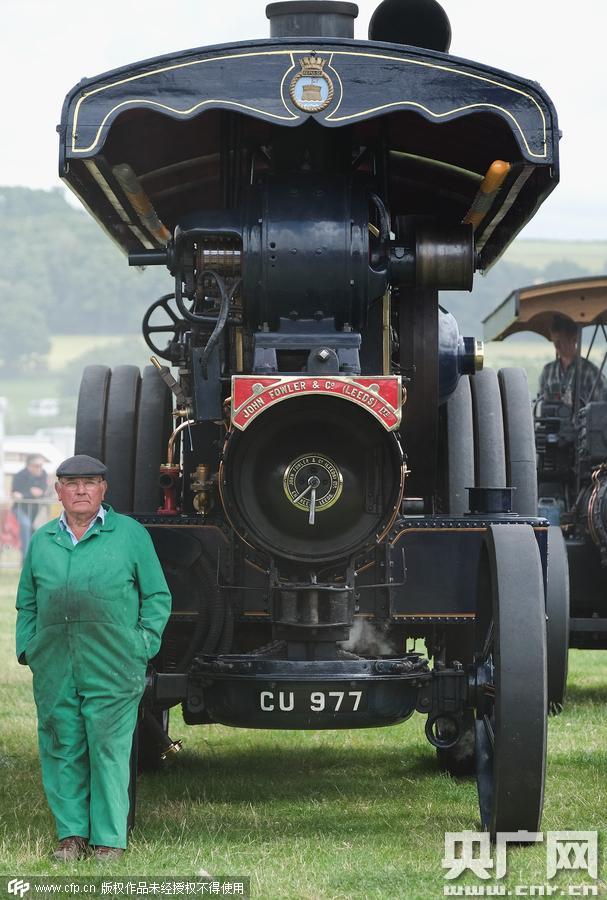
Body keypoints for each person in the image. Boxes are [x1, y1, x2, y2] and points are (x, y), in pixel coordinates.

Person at [15, 455, 172, 862]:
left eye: (90, 482)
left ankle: (108, 841)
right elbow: (27, 603)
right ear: (58, 491)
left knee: (108, 747)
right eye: (71, 483)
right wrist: (29, 647)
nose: (80, 490)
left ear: (104, 489)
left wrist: (142, 643)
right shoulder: (43, 539)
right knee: (61, 743)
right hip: (55, 662)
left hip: (114, 660)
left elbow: (157, 596)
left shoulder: (130, 535)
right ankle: (71, 836)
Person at [539, 314, 607, 408]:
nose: (556, 346)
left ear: (574, 339)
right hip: (551, 422)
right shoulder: (547, 371)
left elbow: (603, 408)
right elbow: (540, 404)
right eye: (554, 341)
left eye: (560, 341)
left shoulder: (591, 372)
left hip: (583, 422)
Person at [11, 455, 49, 560]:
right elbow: (15, 494)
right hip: (20, 509)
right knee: (25, 525)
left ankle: (38, 560)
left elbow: (42, 491)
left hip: (37, 510)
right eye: (37, 465)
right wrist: (29, 493)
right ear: (29, 465)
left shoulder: (43, 474)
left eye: (41, 465)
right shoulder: (19, 475)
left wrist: (25, 494)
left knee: (40, 531)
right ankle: (25, 560)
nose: (40, 468)